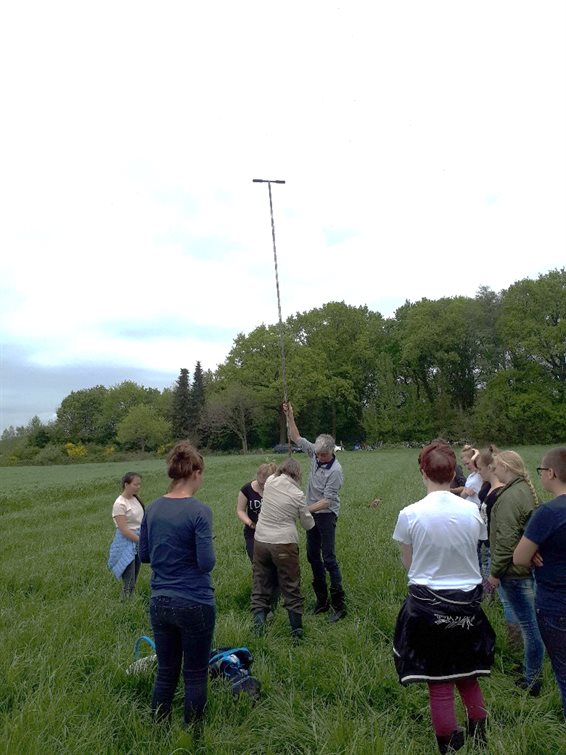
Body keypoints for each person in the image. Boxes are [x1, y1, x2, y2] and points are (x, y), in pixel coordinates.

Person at [392, 442, 495, 754]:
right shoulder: (473, 511)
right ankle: (480, 734)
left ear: (423, 471)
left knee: (439, 683)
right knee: (468, 675)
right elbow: (474, 550)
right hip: (468, 603)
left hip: (426, 605)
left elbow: (409, 563)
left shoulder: (409, 514)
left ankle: (449, 746)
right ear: (454, 473)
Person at [139, 442, 215, 725]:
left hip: (160, 601)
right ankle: (193, 737)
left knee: (166, 671)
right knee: (195, 673)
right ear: (195, 472)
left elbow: (144, 555)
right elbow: (207, 563)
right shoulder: (199, 511)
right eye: (202, 474)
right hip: (195, 601)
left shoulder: (153, 508)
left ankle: (158, 728)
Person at [486, 450, 544, 695]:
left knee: (530, 628)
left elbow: (507, 541)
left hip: (514, 573)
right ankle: (530, 669)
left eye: (496, 466)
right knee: (530, 625)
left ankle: (532, 680)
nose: (494, 469)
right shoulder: (521, 491)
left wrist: (494, 572)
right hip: (521, 570)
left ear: (507, 468)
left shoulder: (510, 497)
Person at [513, 448, 566, 717]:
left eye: (542, 471)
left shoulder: (548, 512)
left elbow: (520, 557)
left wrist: (533, 549)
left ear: (552, 473)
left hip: (557, 605)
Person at [251, 458, 328, 638]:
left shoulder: (269, 482)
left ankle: (259, 628)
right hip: (284, 543)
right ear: (298, 474)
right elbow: (308, 523)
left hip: (261, 540)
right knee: (291, 586)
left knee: (260, 582)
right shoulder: (297, 495)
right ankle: (297, 633)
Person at [283, 402, 346, 621]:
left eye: (323, 456)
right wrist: (290, 415)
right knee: (312, 555)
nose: (319, 459)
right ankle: (321, 600)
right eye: (317, 455)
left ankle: (339, 605)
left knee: (328, 557)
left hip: (326, 515)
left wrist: (302, 509)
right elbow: (295, 437)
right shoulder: (315, 453)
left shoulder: (336, 472)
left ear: (331, 452)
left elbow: (327, 502)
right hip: (311, 514)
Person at [107, 472, 144, 597]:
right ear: (126, 484)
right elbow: (124, 529)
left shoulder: (136, 499)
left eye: (139, 484)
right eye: (135, 484)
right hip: (126, 543)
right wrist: (141, 540)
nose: (138, 487)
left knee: (135, 575)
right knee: (129, 580)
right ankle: (125, 605)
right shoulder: (119, 504)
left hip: (138, 540)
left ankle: (131, 601)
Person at [236, 463, 277, 562]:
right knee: (257, 561)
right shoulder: (246, 489)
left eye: (264, 483)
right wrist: (249, 523)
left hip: (272, 531)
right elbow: (240, 510)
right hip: (253, 532)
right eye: (259, 482)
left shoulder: (277, 489)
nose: (262, 485)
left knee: (272, 562)